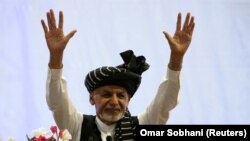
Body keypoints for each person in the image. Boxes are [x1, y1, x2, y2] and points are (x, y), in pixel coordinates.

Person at [41, 9, 195, 141]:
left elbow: (165, 101)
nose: (114, 101)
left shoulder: (144, 125)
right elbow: (57, 100)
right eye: (107, 94)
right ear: (91, 98)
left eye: (121, 95)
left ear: (129, 100)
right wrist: (56, 55)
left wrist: (176, 59)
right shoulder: (77, 126)